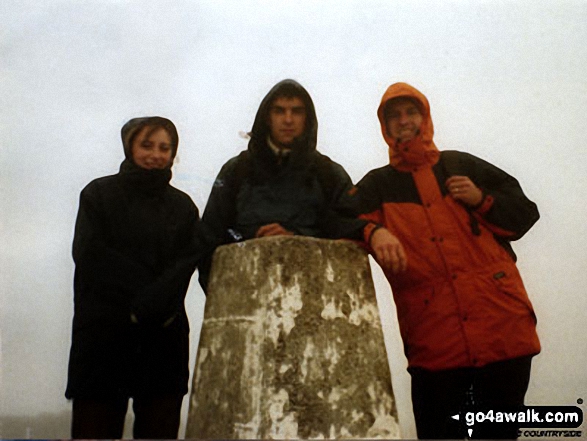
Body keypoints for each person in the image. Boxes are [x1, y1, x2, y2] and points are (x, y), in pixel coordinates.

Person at [351, 82, 541, 439]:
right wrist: (372, 232)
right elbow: (338, 221)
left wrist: (481, 198)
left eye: (411, 112)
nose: (404, 121)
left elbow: (524, 215)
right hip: (435, 344)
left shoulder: (461, 164)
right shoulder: (377, 186)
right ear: (385, 126)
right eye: (394, 116)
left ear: (425, 117)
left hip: (502, 331)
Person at [65, 116, 211, 439]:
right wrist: (141, 297)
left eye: (164, 147)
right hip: (103, 338)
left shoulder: (183, 208)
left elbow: (185, 263)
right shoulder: (97, 195)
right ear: (130, 145)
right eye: (147, 145)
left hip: (163, 338)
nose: (155, 155)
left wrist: (155, 303)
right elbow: (89, 254)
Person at [199, 79, 365, 289]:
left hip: (313, 299)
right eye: (279, 111)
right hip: (243, 300)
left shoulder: (328, 174)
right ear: (267, 118)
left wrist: (295, 239)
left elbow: (349, 240)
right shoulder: (236, 171)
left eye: (296, 111)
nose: (288, 120)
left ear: (307, 118)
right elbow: (209, 240)